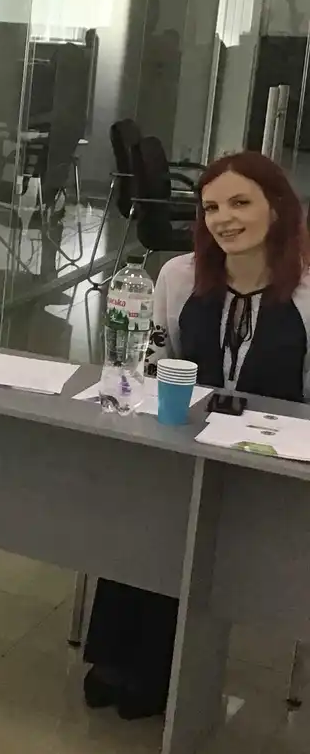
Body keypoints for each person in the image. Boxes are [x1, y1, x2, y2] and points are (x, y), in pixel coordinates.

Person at [84, 151, 310, 719]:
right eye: (211, 208)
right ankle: (116, 656)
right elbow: (157, 363)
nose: (224, 219)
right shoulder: (180, 276)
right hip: (186, 446)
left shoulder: (308, 293)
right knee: (147, 506)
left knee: (197, 530)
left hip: (272, 464)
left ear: (277, 208)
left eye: (240, 203)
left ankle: (158, 669)